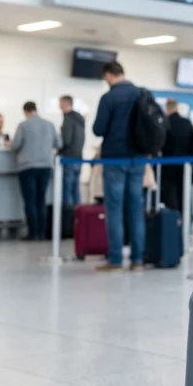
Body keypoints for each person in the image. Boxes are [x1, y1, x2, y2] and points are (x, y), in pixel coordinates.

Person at [91, 61, 146, 272]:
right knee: (136, 208)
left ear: (109, 75)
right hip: (138, 158)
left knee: (114, 209)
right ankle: (138, 259)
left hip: (115, 159)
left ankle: (115, 259)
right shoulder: (141, 93)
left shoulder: (109, 97)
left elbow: (98, 129)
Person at [11, 101, 61, 241]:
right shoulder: (49, 125)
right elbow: (59, 143)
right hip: (45, 166)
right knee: (41, 199)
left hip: (27, 167)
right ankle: (42, 233)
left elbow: (15, 145)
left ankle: (33, 233)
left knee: (30, 200)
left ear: (26, 111)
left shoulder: (24, 125)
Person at [160, 98, 193, 213]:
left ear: (166, 108)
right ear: (177, 107)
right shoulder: (187, 123)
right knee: (185, 196)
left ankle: (173, 224)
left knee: (170, 197)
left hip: (168, 167)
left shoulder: (165, 122)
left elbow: (161, 144)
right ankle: (185, 223)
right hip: (185, 167)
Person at [59, 95, 85, 207]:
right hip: (79, 156)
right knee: (76, 188)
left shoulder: (68, 119)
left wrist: (59, 150)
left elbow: (66, 140)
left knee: (67, 189)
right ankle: (77, 217)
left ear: (65, 103)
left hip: (68, 157)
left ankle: (68, 220)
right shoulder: (79, 118)